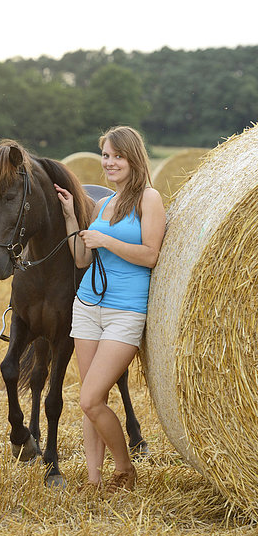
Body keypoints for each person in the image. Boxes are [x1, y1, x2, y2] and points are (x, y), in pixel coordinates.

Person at [54, 125, 166, 496]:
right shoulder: (102, 205)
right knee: (92, 401)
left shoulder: (148, 199)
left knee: (89, 398)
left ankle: (123, 469)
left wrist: (108, 240)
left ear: (134, 158)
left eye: (118, 156)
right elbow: (83, 257)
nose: (111, 162)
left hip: (125, 311)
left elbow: (150, 255)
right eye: (105, 155)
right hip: (87, 306)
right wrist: (72, 217)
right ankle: (94, 479)